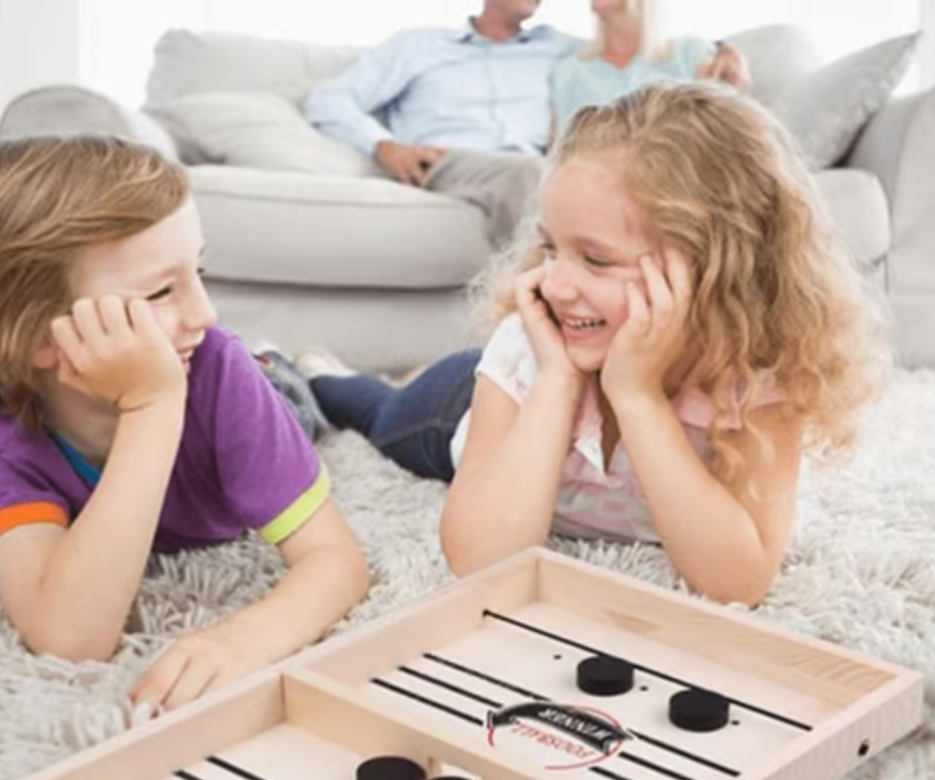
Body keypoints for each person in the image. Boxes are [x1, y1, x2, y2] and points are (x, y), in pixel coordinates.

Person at [296, 81, 886, 607]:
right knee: (378, 412)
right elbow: (477, 559)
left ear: (715, 270)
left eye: (597, 260)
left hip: (602, 371)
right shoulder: (530, 346)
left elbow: (739, 581)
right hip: (453, 409)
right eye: (551, 248)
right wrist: (557, 379)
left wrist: (638, 395)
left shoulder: (759, 380)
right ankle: (319, 372)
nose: (553, 284)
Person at [0, 135, 370, 712]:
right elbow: (70, 637)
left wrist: (245, 640)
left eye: (199, 271)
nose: (205, 312)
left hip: (268, 389)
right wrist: (151, 407)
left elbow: (337, 562)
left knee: (316, 399)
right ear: (38, 336)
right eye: (161, 291)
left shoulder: (218, 367)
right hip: (188, 382)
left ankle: (320, 372)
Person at [304, 0, 579, 248]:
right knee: (529, 172)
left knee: (558, 176)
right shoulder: (418, 46)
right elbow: (330, 99)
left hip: (535, 163)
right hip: (445, 162)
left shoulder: (557, 49)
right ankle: (544, 284)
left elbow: (608, 53)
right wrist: (383, 146)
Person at [550, 0, 751, 135]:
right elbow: (559, 152)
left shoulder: (689, 53)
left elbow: (720, 127)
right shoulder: (569, 71)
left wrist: (728, 53)